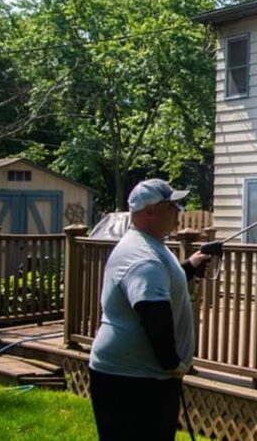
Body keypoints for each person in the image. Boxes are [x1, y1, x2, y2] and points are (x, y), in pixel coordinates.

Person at [88, 179, 212, 441]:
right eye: (171, 206)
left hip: (137, 375)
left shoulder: (150, 244)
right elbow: (154, 316)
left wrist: (189, 266)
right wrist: (173, 364)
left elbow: (161, 280)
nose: (178, 211)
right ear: (149, 211)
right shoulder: (143, 257)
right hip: (133, 381)